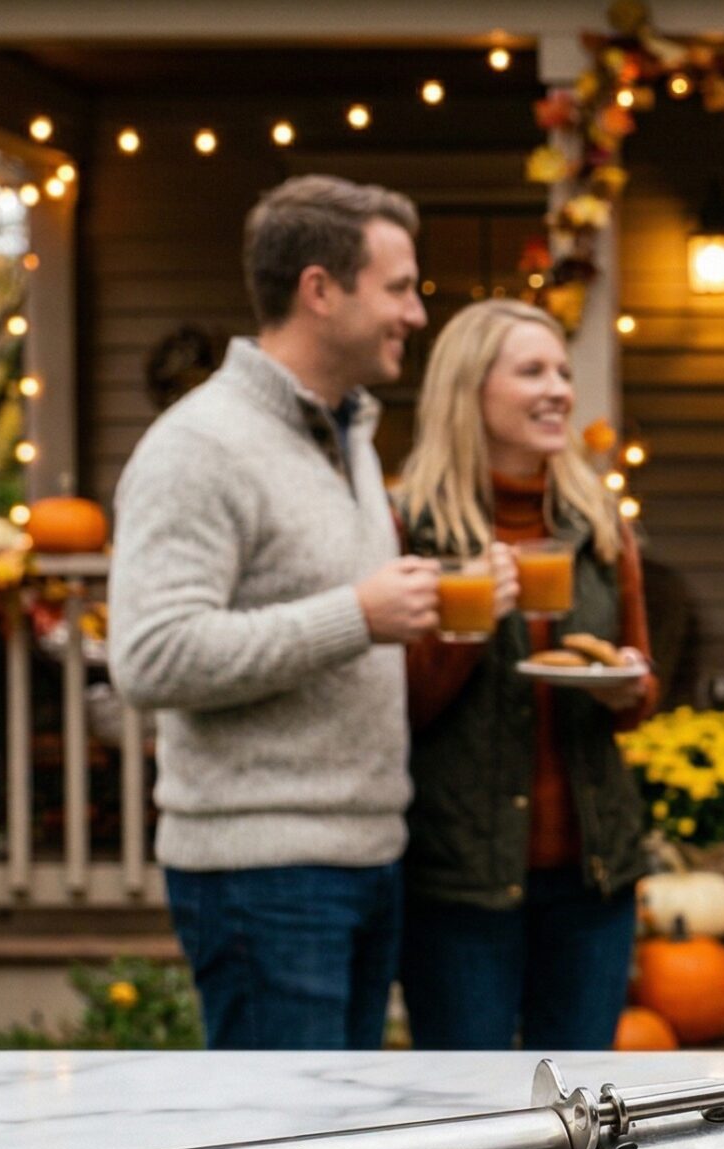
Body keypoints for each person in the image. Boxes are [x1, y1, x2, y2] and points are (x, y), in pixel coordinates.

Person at [109, 175, 438, 1049]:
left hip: (366, 854)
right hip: (264, 873)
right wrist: (356, 617)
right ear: (320, 291)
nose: (415, 312)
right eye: (399, 288)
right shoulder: (198, 446)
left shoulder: (348, 434)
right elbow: (151, 656)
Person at [393, 300, 659, 1049]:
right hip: (460, 879)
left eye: (564, 373)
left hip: (591, 875)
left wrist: (628, 689)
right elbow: (398, 707)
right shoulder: (414, 525)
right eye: (532, 371)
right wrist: (470, 624)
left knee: (580, 1108)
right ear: (469, 388)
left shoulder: (597, 523)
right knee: (468, 1108)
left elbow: (640, 679)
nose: (559, 391)